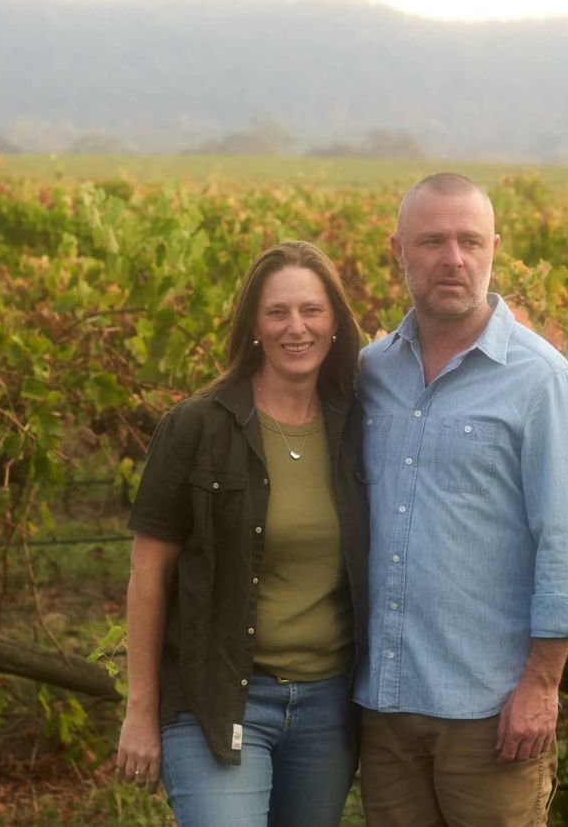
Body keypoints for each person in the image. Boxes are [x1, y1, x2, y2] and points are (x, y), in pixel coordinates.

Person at [355, 173, 568, 827]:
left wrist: (541, 685)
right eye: (432, 241)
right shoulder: (369, 372)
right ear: (398, 249)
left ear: (495, 246)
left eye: (470, 240)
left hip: (491, 711)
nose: (453, 258)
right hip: (384, 707)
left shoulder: (541, 380)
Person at [115, 241, 368, 827]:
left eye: (312, 310)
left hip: (328, 707)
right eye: (277, 312)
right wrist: (140, 711)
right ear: (253, 323)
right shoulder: (197, 425)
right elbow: (147, 574)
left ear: (335, 321)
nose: (295, 327)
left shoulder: (359, 422)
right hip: (218, 698)